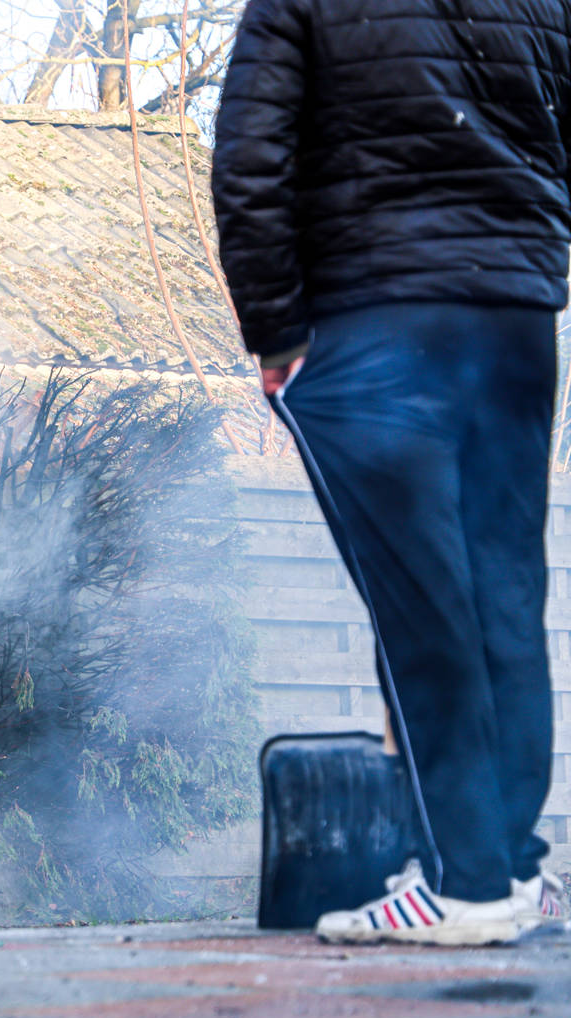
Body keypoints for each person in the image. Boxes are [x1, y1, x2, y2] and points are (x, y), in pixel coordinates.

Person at [213, 0, 571, 944]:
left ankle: (465, 883)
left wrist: (277, 331)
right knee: (503, 595)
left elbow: (251, 157)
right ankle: (514, 866)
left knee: (423, 610)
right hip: (516, 321)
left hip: (377, 319)